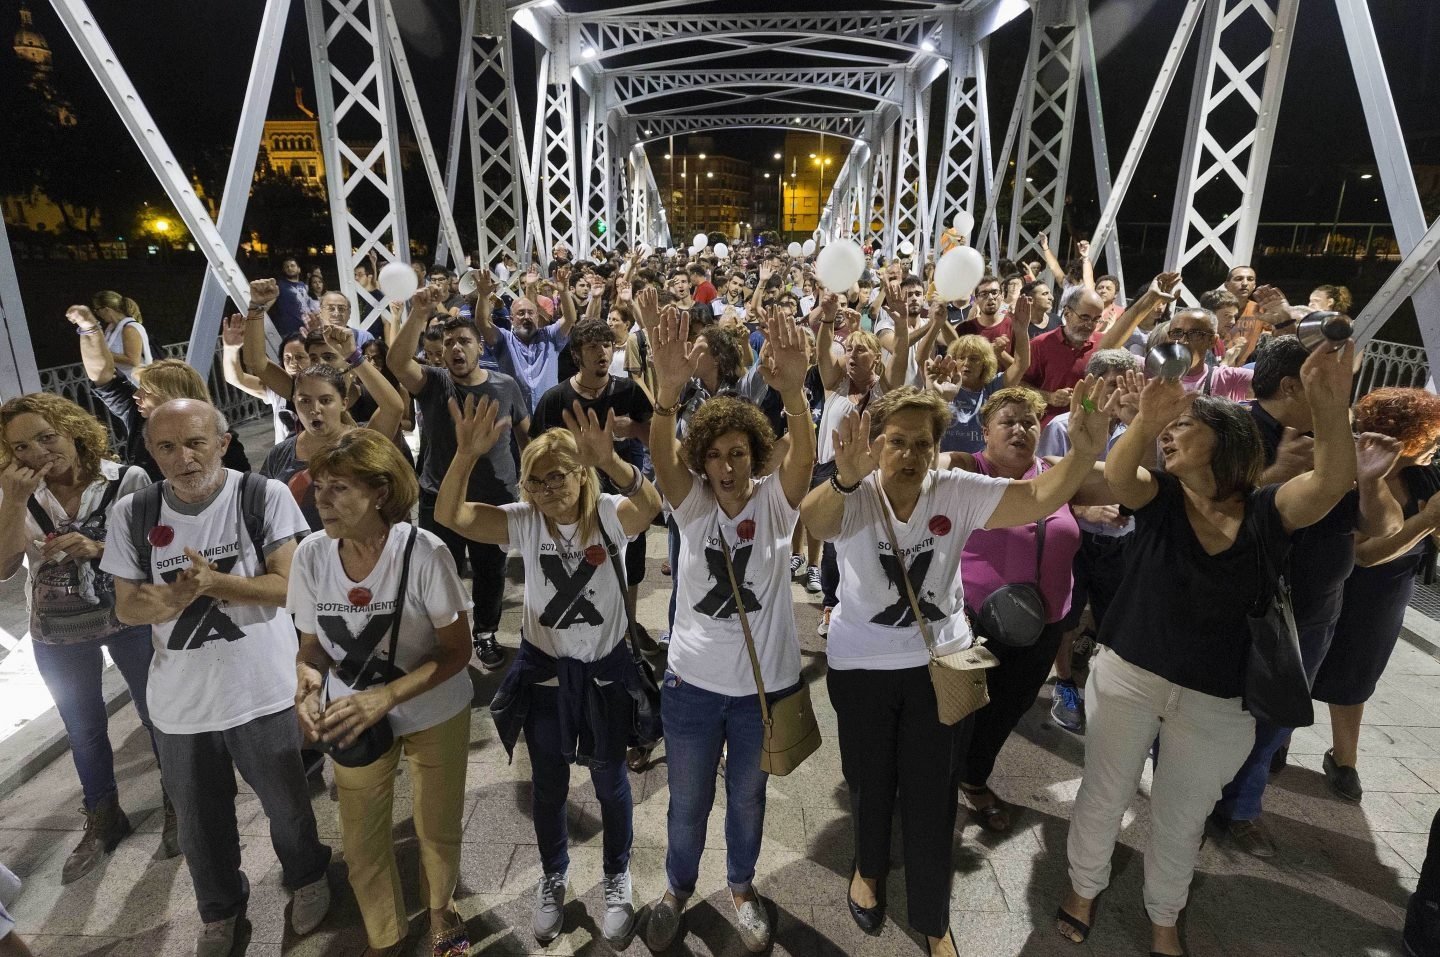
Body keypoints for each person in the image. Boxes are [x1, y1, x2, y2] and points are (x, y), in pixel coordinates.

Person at [1057, 340, 1358, 957]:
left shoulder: (1270, 512)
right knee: (1105, 790)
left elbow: (1330, 480)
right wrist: (1146, 417)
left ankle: (1164, 914)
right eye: (1167, 432)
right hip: (1128, 675)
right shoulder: (1160, 499)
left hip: (1219, 701)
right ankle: (1084, 887)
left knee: (1182, 814)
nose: (1169, 439)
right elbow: (1119, 475)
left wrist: (1330, 408)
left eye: (1183, 428)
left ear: (1226, 440)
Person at [801, 378, 1110, 957]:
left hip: (942, 661)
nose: (910, 455)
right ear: (874, 443)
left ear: (939, 444)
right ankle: (868, 869)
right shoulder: (854, 490)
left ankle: (933, 914)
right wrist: (843, 476)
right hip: (861, 664)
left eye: (923, 443)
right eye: (896, 442)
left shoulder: (957, 488)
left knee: (935, 787)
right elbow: (815, 522)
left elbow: (1038, 498)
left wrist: (1086, 452)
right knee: (869, 778)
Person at [100, 399, 331, 957]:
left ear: (223, 443)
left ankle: (308, 878)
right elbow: (128, 608)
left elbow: (290, 586)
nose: (183, 458)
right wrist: (179, 595)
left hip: (263, 691)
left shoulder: (262, 496)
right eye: (167, 447)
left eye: (196, 443)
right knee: (201, 830)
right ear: (151, 453)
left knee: (288, 808)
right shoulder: (133, 513)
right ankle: (220, 913)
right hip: (180, 705)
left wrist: (214, 585)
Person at [437, 397, 661, 945]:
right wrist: (464, 455)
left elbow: (651, 505)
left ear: (581, 475)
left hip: (604, 677)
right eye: (534, 483)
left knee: (610, 783)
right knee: (549, 787)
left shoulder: (609, 513)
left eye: (556, 477)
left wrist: (611, 461)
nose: (544, 491)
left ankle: (616, 876)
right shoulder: (524, 522)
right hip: (544, 679)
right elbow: (451, 515)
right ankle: (553, 875)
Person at [641, 303, 815, 954]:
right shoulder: (690, 506)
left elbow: (805, 460)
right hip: (689, 687)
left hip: (758, 694)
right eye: (714, 455)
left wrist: (795, 394)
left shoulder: (774, 501)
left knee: (747, 801)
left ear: (755, 452)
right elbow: (662, 456)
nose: (727, 465)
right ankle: (676, 887)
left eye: (738, 452)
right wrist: (664, 398)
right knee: (685, 802)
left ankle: (741, 886)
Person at [1208, 340, 1404, 856]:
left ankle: (1242, 810)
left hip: (1312, 612)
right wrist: (1272, 477)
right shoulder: (1228, 430)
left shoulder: (1341, 440)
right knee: (1206, 708)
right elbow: (1198, 515)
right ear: (1294, 385)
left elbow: (1382, 528)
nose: (1344, 395)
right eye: (1332, 381)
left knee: (1276, 719)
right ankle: (1189, 801)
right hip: (1232, 603)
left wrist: (1370, 482)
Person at [290, 429, 472, 957]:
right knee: (362, 840)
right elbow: (312, 647)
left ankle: (441, 911)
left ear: (381, 492)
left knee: (436, 825)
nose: (322, 500)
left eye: (339, 488)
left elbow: (456, 650)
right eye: (319, 488)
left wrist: (386, 697)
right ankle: (385, 936)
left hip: (434, 709)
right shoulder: (311, 556)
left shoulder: (423, 552)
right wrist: (307, 685)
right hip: (353, 718)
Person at [0, 394, 171, 882]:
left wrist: (98, 548)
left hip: (126, 613)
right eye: (22, 446)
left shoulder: (126, 480)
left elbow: (155, 553)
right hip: (56, 627)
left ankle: (179, 802)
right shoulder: (15, 494)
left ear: (73, 429)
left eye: (47, 436)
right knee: (83, 727)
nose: (39, 453)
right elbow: (4, 568)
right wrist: (12, 502)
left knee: (155, 713)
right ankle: (103, 817)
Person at [948, 386, 1112, 833]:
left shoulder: (1060, 472)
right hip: (975, 623)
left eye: (1029, 422)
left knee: (1008, 709)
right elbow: (928, 469)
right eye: (1008, 421)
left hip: (1046, 623)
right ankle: (937, 785)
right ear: (985, 431)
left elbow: (1124, 477)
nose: (1020, 429)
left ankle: (973, 778)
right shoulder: (968, 469)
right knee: (959, 712)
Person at [389, 282, 530, 672]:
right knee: (440, 570)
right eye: (449, 342)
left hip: (495, 496)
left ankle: (485, 633)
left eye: (464, 341)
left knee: (490, 571)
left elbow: (525, 433)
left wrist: (529, 482)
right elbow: (398, 363)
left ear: (479, 347)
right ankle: (448, 638)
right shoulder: (434, 383)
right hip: (438, 495)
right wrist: (417, 314)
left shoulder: (505, 385)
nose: (455, 348)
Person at [1311, 387, 1440, 804]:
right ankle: (1276, 740)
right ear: (1411, 436)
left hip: (1386, 595)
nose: (1437, 446)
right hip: (1336, 584)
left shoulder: (1424, 476)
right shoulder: (1352, 475)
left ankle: (1344, 760)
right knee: (1306, 661)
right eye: (1433, 437)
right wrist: (1425, 520)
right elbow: (1364, 555)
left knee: (1358, 672)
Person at [1036, 349, 1144, 735]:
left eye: (1131, 385)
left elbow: (1156, 479)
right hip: (1076, 541)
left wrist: (1139, 428)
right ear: (1094, 386)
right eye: (1115, 384)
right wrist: (1086, 513)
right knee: (1066, 616)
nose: (1123, 394)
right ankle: (1065, 684)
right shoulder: (1065, 427)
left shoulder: (1139, 430)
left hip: (1124, 542)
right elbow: (1041, 491)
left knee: (1119, 617)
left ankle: (1112, 690)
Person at [529, 319, 655, 646]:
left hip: (626, 497)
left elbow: (659, 441)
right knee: (580, 564)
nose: (602, 352)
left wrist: (636, 430)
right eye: (592, 347)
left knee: (632, 562)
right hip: (575, 504)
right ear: (576, 356)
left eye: (606, 345)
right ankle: (585, 626)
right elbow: (535, 453)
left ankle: (628, 622)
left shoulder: (629, 391)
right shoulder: (556, 399)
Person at [66, 305, 252, 479]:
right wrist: (88, 327)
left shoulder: (218, 437)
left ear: (172, 395)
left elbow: (243, 490)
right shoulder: (140, 416)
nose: (136, 395)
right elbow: (102, 376)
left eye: (146, 391)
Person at [935, 295, 1035, 453]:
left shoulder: (992, 387)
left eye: (974, 359)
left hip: (979, 467)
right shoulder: (944, 384)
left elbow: (1021, 365)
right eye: (961, 358)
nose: (966, 363)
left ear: (985, 364)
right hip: (946, 463)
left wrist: (1021, 330)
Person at [476, 267, 576, 410]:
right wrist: (483, 295)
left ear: (537, 317)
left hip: (548, 413)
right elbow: (482, 322)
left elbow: (570, 318)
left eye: (531, 313)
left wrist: (564, 291)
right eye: (521, 313)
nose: (527, 317)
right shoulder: (504, 339)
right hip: (515, 417)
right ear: (511, 319)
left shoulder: (550, 336)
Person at [91, 290, 153, 386]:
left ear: (106, 309)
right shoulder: (111, 329)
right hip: (125, 382)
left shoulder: (130, 328)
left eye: (97, 310)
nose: (97, 314)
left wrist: (102, 354)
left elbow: (133, 360)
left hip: (139, 384)